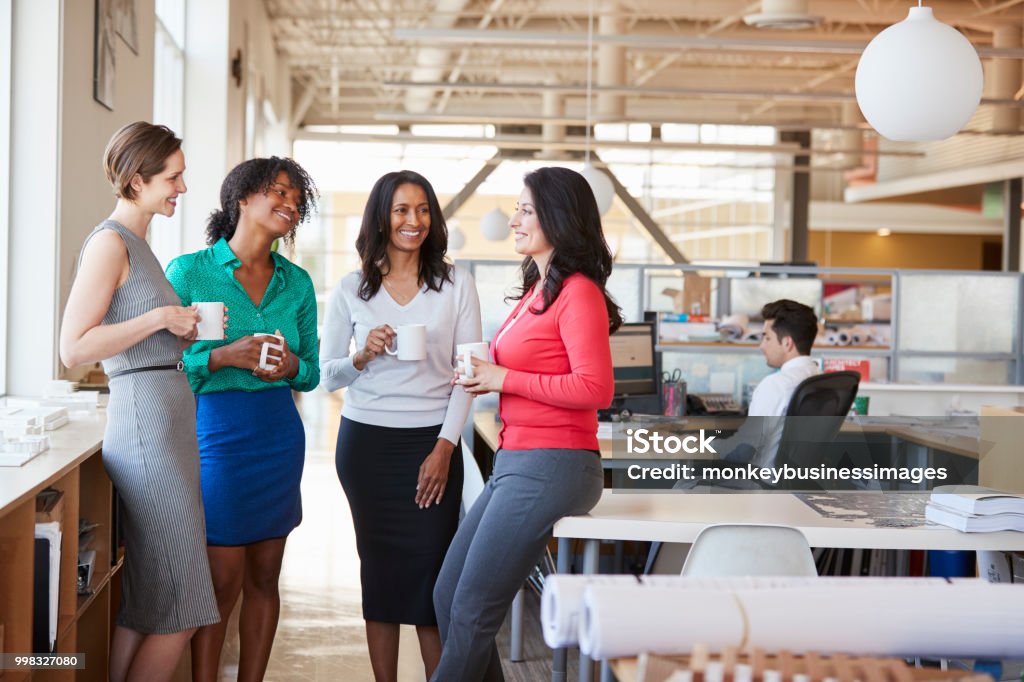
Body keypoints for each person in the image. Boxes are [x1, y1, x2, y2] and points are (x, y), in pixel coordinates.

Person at [431, 166, 622, 681]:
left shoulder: (578, 291)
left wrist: (503, 377)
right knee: (448, 594)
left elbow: (595, 389)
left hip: (554, 464)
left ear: (558, 219)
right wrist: (484, 376)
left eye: (526, 210)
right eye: (516, 209)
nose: (514, 219)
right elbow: (524, 369)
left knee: (471, 607)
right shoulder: (538, 288)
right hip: (520, 460)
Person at [59, 121, 219, 682]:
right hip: (147, 430)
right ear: (136, 179)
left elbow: (134, 333)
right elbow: (74, 346)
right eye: (172, 177)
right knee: (184, 603)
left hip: (166, 422)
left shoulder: (142, 245)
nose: (182, 187)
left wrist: (176, 329)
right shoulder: (109, 243)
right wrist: (158, 318)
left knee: (150, 601)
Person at [320, 170, 481, 682]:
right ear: (382, 218)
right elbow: (327, 376)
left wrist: (444, 448)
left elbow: (469, 376)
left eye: (423, 210)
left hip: (432, 442)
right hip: (366, 446)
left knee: (432, 583)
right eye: (401, 210)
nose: (414, 221)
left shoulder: (456, 285)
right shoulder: (352, 289)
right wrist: (362, 355)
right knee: (381, 576)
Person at [164, 157, 320, 682]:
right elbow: (164, 365)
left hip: (277, 433)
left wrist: (291, 365)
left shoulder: (296, 284)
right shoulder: (190, 272)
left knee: (265, 577)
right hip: (217, 432)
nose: (290, 204)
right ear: (242, 198)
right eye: (279, 192)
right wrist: (221, 356)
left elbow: (312, 372)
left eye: (297, 199)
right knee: (221, 578)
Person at [716, 298, 821, 469]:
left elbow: (742, 452)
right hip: (797, 487)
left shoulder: (777, 385)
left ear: (787, 343)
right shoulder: (817, 377)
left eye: (767, 338)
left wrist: (702, 444)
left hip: (762, 486)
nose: (762, 346)